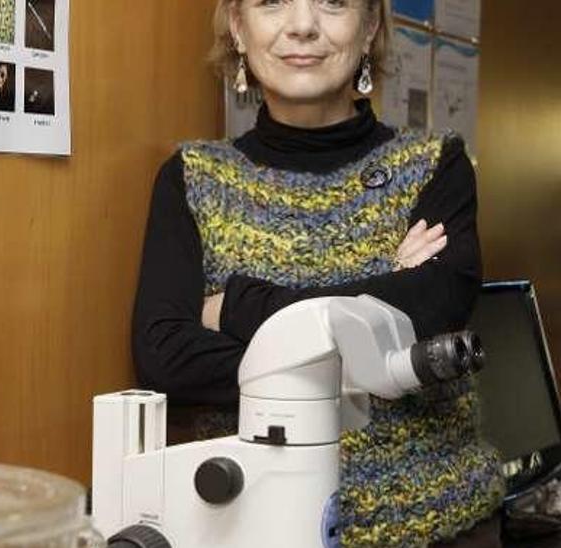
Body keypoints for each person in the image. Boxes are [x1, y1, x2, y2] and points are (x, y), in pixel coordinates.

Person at [131, 1, 503, 546]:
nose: (302, 25)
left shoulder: (434, 164)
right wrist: (379, 296)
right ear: (238, 26)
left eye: (333, 1)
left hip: (441, 521)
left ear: (371, 24)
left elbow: (434, 304)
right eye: (271, 2)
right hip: (256, 523)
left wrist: (235, 307)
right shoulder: (191, 180)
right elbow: (164, 356)